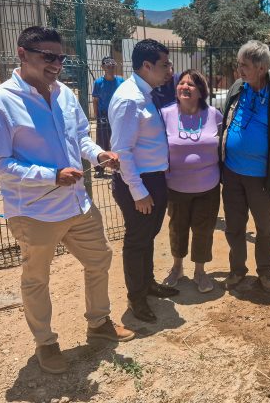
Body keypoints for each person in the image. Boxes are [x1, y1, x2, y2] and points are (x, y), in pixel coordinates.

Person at [0, 26, 134, 375]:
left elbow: (79, 137)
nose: (56, 64)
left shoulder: (65, 94)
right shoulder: (1, 101)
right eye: (48, 57)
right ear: (22, 54)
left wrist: (99, 156)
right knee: (37, 280)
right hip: (33, 211)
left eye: (60, 57)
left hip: (76, 204)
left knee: (100, 260)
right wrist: (50, 175)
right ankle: (46, 344)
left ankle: (98, 323)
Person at [220, 40, 270, 293]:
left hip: (263, 178)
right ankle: (237, 270)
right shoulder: (237, 88)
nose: (239, 71)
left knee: (265, 228)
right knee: (234, 226)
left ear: (263, 67)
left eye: (244, 65)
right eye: (239, 65)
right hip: (232, 173)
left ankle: (265, 272)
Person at [109, 39, 179, 323]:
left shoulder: (146, 93)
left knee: (148, 237)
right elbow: (121, 150)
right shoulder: (130, 99)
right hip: (138, 182)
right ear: (146, 66)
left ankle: (147, 283)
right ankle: (136, 297)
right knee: (137, 240)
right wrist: (138, 191)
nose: (169, 70)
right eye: (165, 65)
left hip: (153, 179)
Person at [161, 70, 223, 293]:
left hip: (208, 186)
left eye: (191, 84)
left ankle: (200, 271)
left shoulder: (214, 115)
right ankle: (177, 268)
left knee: (203, 229)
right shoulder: (165, 114)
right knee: (177, 229)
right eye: (182, 83)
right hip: (176, 187)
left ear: (201, 91)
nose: (185, 87)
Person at [91, 56, 124, 177]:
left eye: (112, 66)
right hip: (103, 115)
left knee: (117, 140)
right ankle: (100, 168)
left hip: (117, 114)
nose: (110, 68)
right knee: (102, 140)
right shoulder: (99, 82)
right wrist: (96, 115)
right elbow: (95, 99)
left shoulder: (121, 81)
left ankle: (118, 166)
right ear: (103, 67)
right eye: (108, 66)